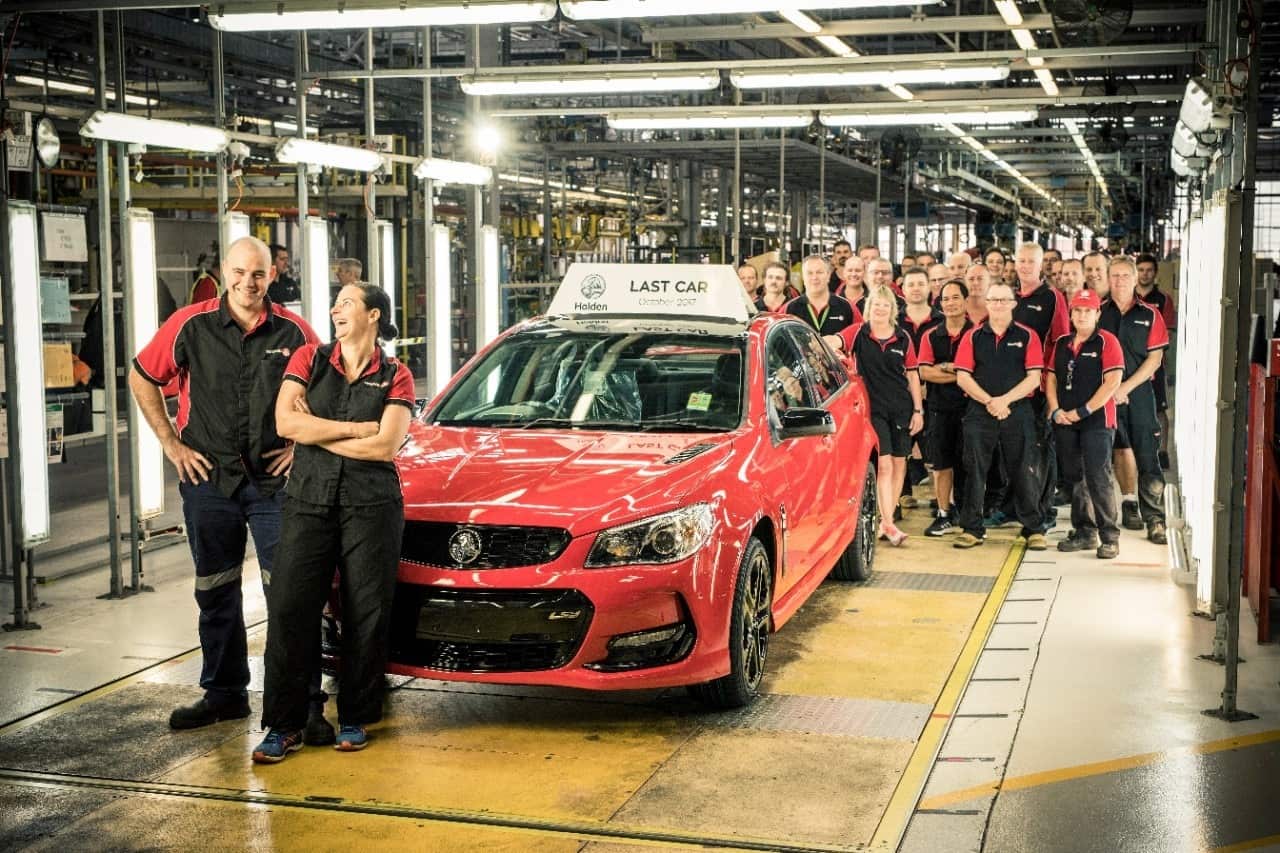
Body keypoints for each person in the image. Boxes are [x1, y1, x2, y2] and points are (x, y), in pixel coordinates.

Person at [129, 236, 322, 732]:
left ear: (272, 276)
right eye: (238, 272)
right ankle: (224, 693)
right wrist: (171, 444)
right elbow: (142, 375)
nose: (247, 283)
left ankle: (301, 702)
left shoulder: (296, 331)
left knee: (290, 596)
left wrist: (301, 448)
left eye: (257, 274)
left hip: (275, 484)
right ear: (224, 272)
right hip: (208, 480)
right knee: (215, 591)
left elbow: (329, 391)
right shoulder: (189, 325)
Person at [255, 282, 414, 762]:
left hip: (372, 505)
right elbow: (286, 423)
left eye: (346, 303)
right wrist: (354, 429)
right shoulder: (309, 359)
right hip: (308, 499)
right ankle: (284, 725)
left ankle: (355, 718)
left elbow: (385, 446)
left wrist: (317, 433)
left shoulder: (396, 374)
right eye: (336, 303)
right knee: (290, 608)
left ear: (373, 315)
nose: (334, 310)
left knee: (366, 612)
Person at [952, 282, 1046, 550]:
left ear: (1014, 304)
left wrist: (1004, 401)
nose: (998, 305)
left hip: (1017, 411)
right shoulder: (973, 336)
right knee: (974, 470)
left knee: (1024, 470)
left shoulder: (1027, 336)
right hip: (979, 412)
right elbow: (962, 377)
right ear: (987, 303)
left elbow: (1034, 378)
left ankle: (1033, 529)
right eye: (993, 300)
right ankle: (972, 528)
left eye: (1004, 300)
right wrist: (989, 401)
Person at [1047, 289, 1125, 559]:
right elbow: (1051, 378)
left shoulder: (1107, 342)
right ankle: (1084, 532)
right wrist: (1055, 409)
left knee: (1098, 476)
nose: (1082, 316)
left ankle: (1110, 537)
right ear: (1070, 314)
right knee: (1075, 477)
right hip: (1065, 420)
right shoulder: (1062, 343)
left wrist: (1083, 411)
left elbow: (1112, 382)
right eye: (1077, 311)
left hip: (1097, 421)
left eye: (1088, 311)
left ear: (1097, 314)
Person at [1098, 257, 1169, 544]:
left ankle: (1155, 519)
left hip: (1138, 392)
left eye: (1125, 275)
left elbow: (1155, 359)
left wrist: (1126, 386)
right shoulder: (1098, 313)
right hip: (1105, 394)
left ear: (1135, 278)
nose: (1120, 281)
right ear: (1108, 279)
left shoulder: (1150, 314)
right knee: (1117, 449)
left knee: (1147, 453)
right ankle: (1128, 506)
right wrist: (1110, 389)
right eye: (1114, 276)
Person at [849, 285, 923, 546]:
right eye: (876, 304)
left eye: (885, 304)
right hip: (873, 410)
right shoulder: (859, 333)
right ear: (869, 308)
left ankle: (886, 522)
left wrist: (918, 410)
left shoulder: (903, 337)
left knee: (900, 463)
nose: (880, 309)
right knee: (885, 465)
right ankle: (889, 523)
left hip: (901, 408)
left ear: (892, 309)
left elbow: (912, 375)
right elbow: (834, 341)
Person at [1012, 242, 1071, 529]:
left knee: (1040, 449)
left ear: (1040, 266)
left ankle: (1044, 511)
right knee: (1016, 451)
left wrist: (1051, 392)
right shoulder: (1010, 297)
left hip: (1040, 388)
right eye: (1021, 261)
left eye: (1031, 261)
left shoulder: (1052, 297)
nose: (1025, 266)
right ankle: (1016, 509)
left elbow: (1062, 343)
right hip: (1013, 388)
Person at [918, 280, 974, 537]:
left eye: (955, 298)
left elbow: (979, 373)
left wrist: (946, 368)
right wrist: (959, 373)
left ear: (966, 301)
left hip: (971, 408)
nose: (950, 303)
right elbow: (925, 372)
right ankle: (944, 514)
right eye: (946, 299)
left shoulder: (977, 333)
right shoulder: (931, 335)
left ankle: (968, 514)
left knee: (969, 464)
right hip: (939, 409)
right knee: (941, 464)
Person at [1136, 253, 1176, 469]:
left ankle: (1162, 452)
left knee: (1159, 409)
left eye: (1149, 270)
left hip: (1155, 364)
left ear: (1155, 273)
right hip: (1130, 363)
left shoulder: (1163, 300)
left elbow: (1167, 332)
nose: (1145, 274)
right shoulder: (1128, 297)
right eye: (1141, 270)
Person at [785, 256, 862, 354]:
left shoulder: (847, 306)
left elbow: (862, 332)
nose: (814, 277)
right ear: (803, 277)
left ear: (828, 275)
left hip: (838, 364)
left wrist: (840, 339)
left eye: (819, 272)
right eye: (809, 273)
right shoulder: (789, 309)